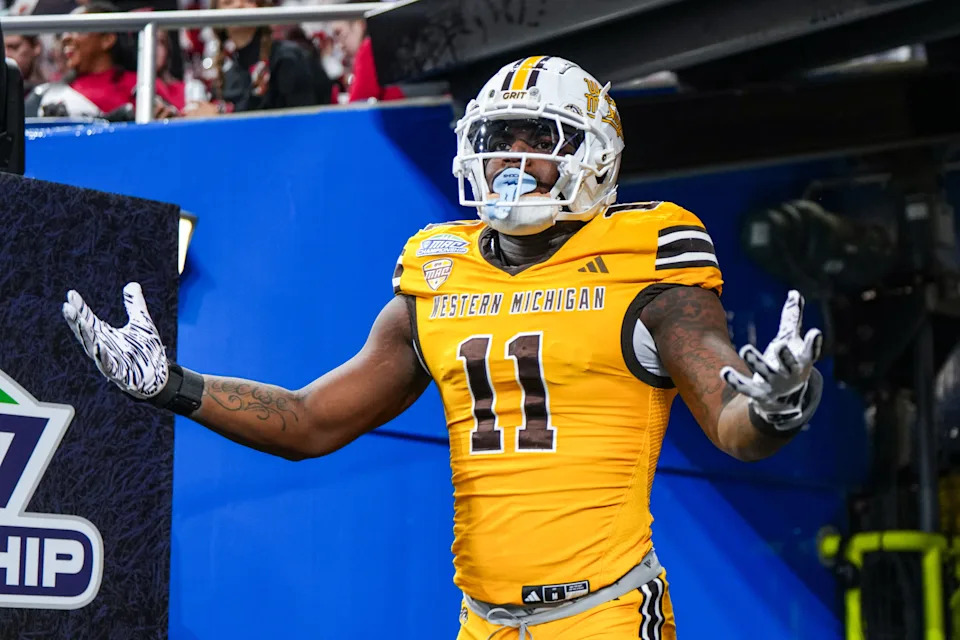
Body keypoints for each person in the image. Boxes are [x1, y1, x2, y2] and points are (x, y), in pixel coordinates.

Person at [61, 56, 824, 639]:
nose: (514, 160)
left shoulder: (646, 252)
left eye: (542, 139)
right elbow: (313, 419)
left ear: (594, 158)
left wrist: (775, 406)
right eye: (499, 139)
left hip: (609, 614)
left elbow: (732, 419)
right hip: (481, 622)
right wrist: (173, 385)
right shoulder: (438, 264)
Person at [27, 1, 183, 119]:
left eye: (78, 29)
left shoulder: (143, 86)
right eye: (66, 31)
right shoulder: (46, 93)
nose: (66, 38)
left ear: (107, 39)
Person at [183, 0, 331, 116]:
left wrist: (222, 113)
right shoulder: (227, 78)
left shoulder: (288, 58)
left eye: (248, 0)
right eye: (228, 2)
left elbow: (301, 121)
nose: (239, 5)